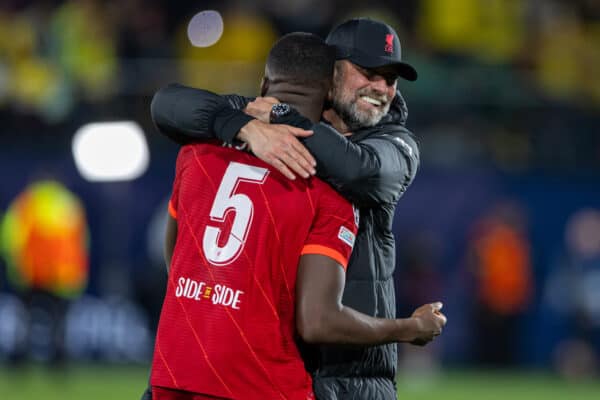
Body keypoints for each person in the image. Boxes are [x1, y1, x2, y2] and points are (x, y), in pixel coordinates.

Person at [148, 32, 446, 400]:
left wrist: (270, 114)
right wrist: (408, 328)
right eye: (367, 72)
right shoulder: (324, 191)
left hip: (345, 378)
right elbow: (167, 103)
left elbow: (359, 169)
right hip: (272, 377)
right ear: (332, 83)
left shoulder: (200, 154)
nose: (381, 87)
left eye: (390, 78)